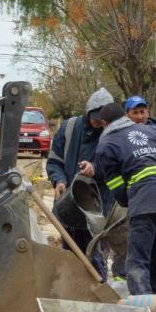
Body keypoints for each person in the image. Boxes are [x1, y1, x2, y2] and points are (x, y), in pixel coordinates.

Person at [96, 102, 156, 295]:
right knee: (155, 258)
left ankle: (145, 310)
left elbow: (116, 186)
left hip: (144, 201)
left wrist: (129, 201)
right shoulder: (152, 131)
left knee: (137, 261)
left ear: (105, 123)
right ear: (124, 115)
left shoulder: (107, 144)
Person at [46, 88, 114, 277]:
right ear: (87, 112)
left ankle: (98, 293)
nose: (98, 122)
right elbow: (54, 161)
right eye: (95, 118)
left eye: (103, 119)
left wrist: (96, 168)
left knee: (97, 259)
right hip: (70, 204)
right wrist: (59, 180)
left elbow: (116, 165)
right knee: (72, 257)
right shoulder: (69, 128)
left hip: (99, 207)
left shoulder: (112, 133)